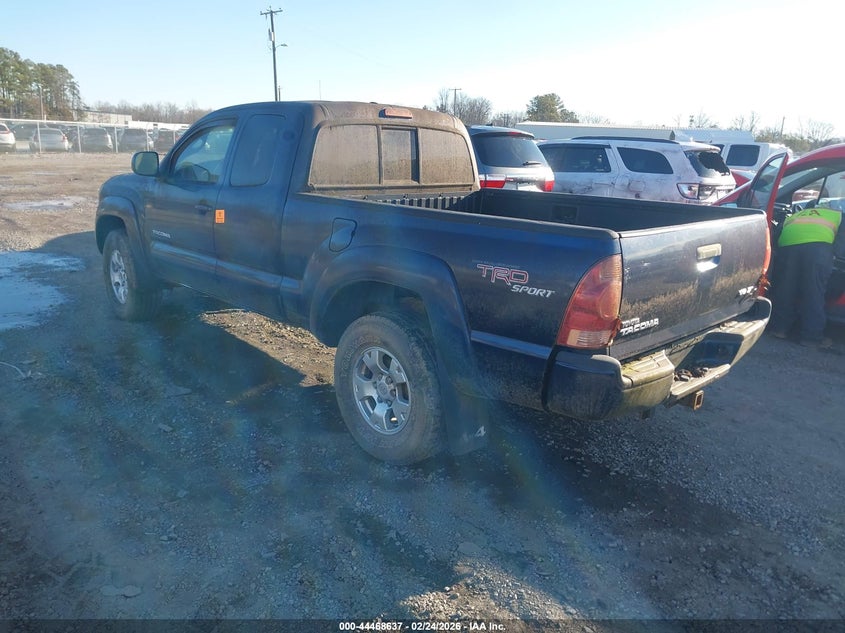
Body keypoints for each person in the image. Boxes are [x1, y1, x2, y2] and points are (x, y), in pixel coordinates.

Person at [768, 200, 845, 349]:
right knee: (814, 292)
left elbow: (777, 237)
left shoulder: (799, 214)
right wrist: (833, 255)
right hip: (817, 249)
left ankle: (779, 329)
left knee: (785, 289)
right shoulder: (838, 215)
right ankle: (811, 337)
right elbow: (841, 247)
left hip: (788, 246)